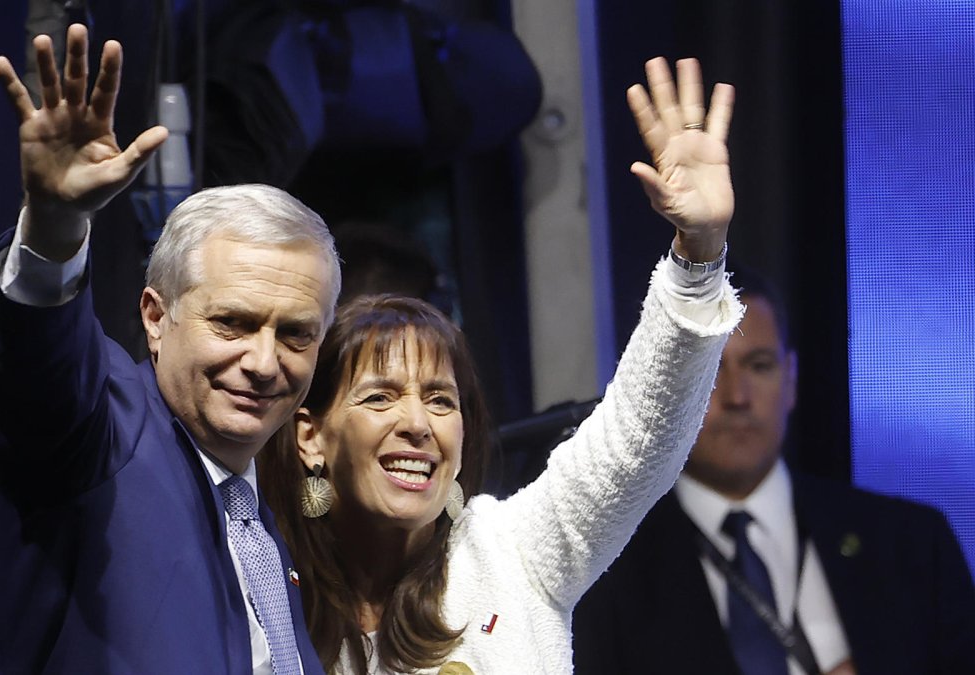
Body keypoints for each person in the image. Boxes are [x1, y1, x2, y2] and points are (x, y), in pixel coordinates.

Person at [257, 57, 744, 674]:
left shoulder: (513, 554)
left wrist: (698, 258)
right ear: (309, 436)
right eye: (380, 397)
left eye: (440, 399)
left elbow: (637, 440)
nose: (417, 423)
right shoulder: (259, 586)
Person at [0, 24, 336, 674]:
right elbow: (44, 373)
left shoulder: (256, 520)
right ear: (156, 318)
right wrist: (54, 229)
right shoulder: (99, 432)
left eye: (295, 333)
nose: (266, 361)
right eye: (234, 323)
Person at [572, 268, 975, 674]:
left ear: (792, 378)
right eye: (707, 373)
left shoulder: (914, 545)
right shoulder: (606, 574)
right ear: (661, 390)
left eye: (759, 365)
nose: (737, 397)